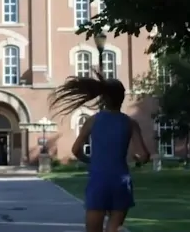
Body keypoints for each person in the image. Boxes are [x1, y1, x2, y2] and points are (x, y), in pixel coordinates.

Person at [50, 72, 151, 232]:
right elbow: (144, 155)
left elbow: (76, 150)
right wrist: (137, 160)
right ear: (122, 98)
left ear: (103, 99)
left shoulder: (93, 121)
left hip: (99, 181)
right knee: (113, 228)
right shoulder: (130, 123)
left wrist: (90, 160)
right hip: (121, 181)